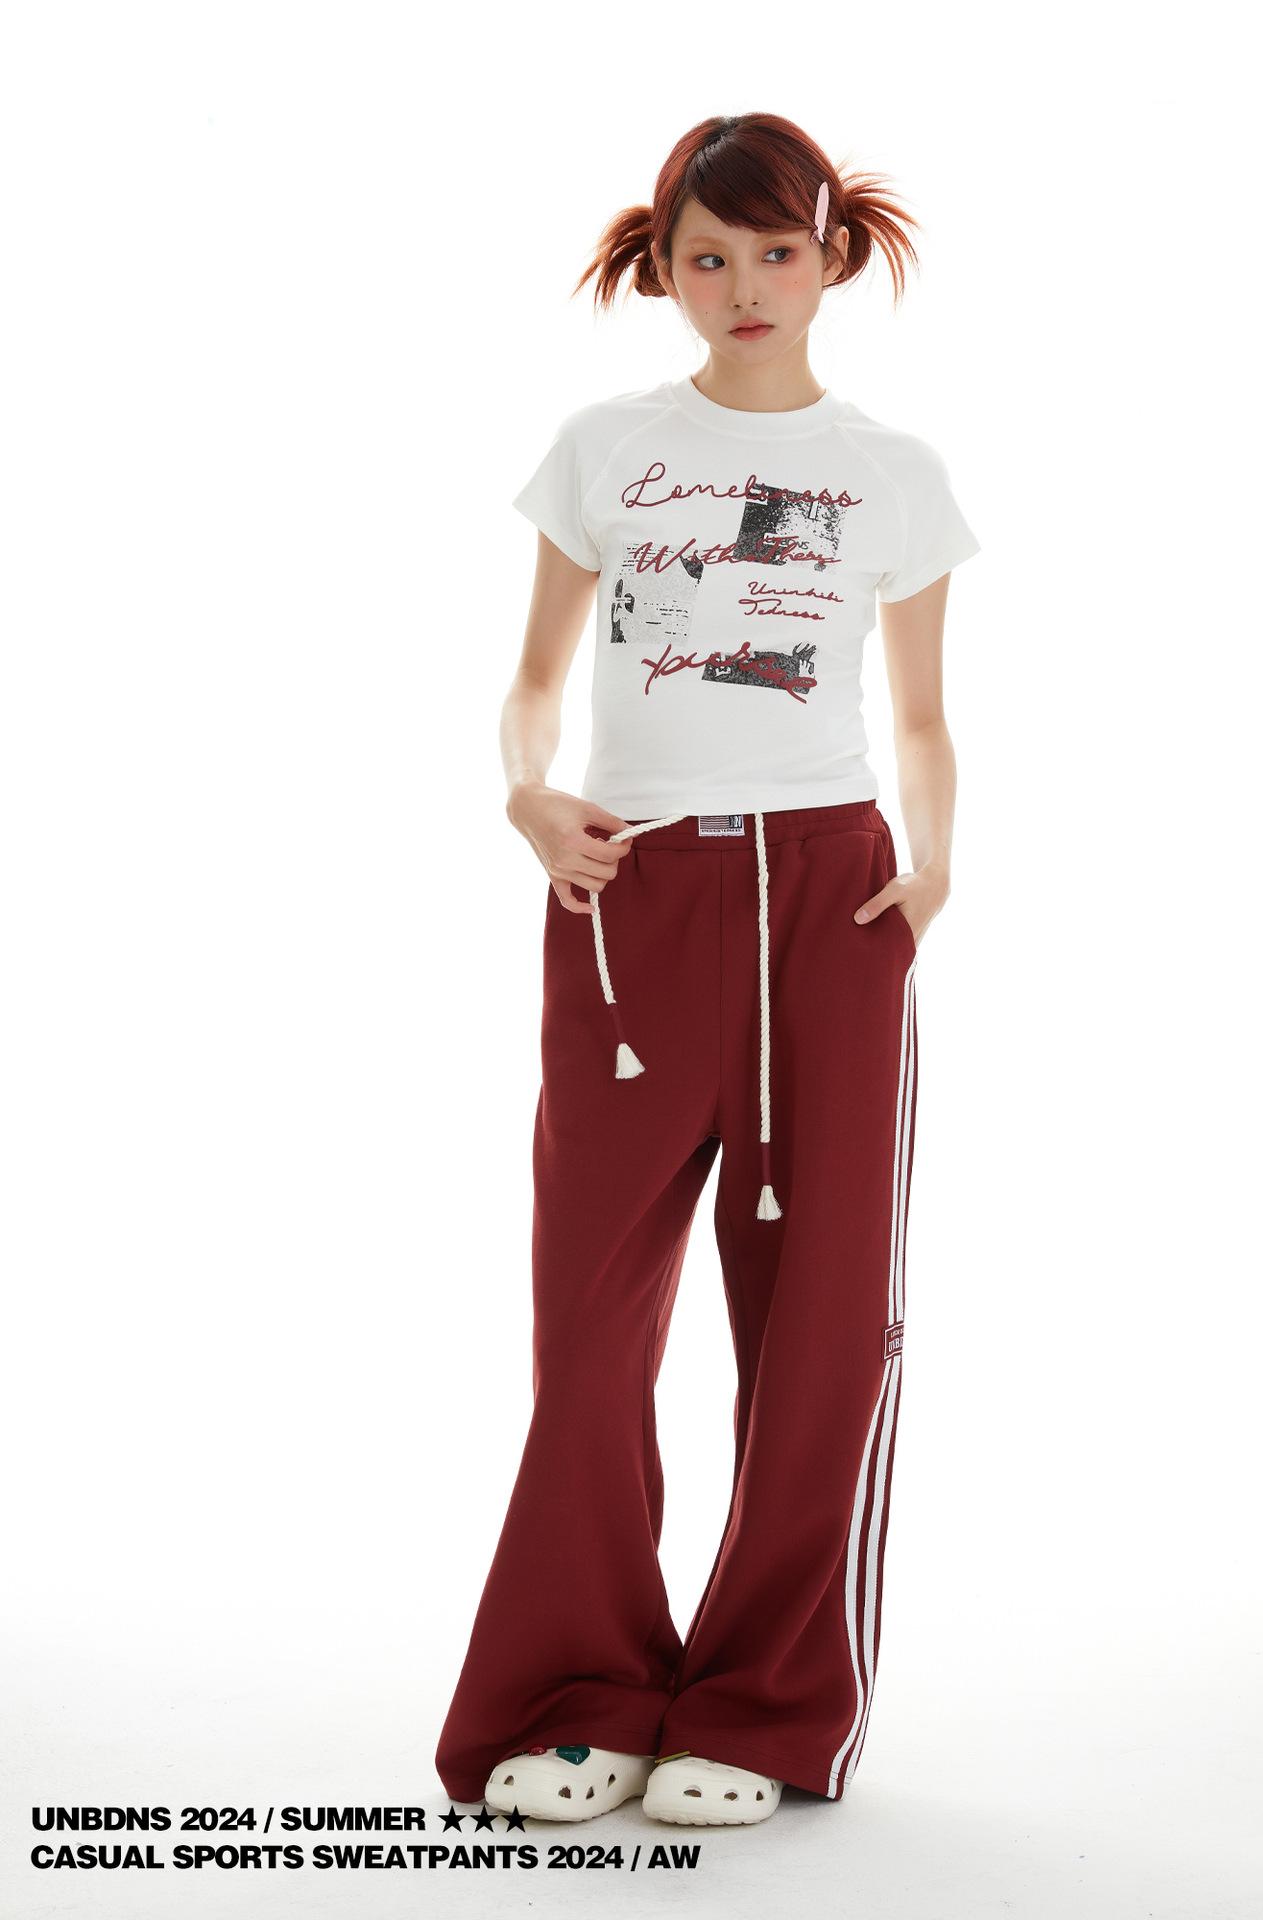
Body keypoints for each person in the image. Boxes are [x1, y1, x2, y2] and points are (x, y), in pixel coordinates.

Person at [435, 110, 980, 1827]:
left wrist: (933, 867)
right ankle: (578, 1691)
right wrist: (527, 793)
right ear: (660, 268)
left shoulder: (893, 472)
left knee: (823, 1322)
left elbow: (920, 718)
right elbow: (535, 682)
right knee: (589, 1320)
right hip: (633, 889)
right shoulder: (606, 447)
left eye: (775, 250)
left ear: (833, 256)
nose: (745, 284)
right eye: (707, 255)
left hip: (831, 898)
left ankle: (760, 1708)